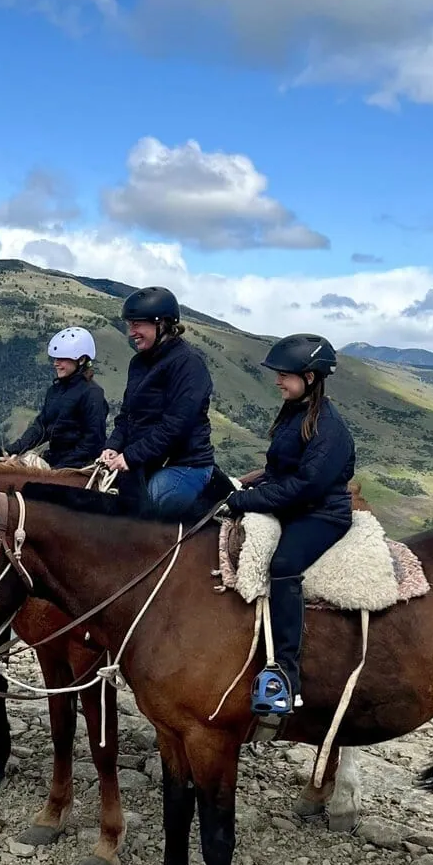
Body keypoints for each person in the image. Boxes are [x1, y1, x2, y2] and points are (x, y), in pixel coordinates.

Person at [224, 334, 355, 716]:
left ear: (310, 378)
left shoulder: (329, 428)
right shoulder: (295, 412)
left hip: (320, 514)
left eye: (285, 374)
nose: (278, 380)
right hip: (293, 503)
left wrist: (244, 500)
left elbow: (303, 487)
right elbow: (282, 469)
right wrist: (245, 486)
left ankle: (285, 675)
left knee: (283, 565)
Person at [99, 286, 215, 518]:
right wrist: (113, 446)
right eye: (130, 325)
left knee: (151, 508)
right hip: (147, 459)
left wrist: (131, 456)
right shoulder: (138, 363)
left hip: (184, 464)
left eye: (137, 325)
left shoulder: (188, 364)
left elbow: (176, 426)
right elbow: (127, 416)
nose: (131, 332)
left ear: (161, 324)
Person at [5, 327, 108, 469]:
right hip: (56, 460)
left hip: (80, 466)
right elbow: (41, 427)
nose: (56, 363)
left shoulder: (92, 394)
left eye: (62, 358)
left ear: (81, 359)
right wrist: (14, 449)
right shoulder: (54, 391)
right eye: (55, 358)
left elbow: (92, 441)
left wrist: (59, 469)